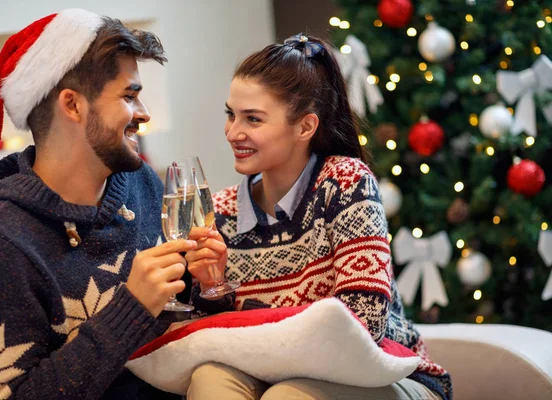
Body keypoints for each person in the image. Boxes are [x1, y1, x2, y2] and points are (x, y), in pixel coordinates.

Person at [0, 9, 213, 399]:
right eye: (129, 95)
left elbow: (181, 321)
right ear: (72, 105)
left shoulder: (138, 181)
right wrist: (131, 308)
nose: (143, 114)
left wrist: (207, 286)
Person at [185, 34, 452, 400]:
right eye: (231, 114)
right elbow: (209, 338)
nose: (233, 132)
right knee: (209, 377)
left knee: (288, 396)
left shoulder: (346, 183)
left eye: (253, 119)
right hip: (279, 372)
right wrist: (212, 290)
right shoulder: (223, 212)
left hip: (387, 375)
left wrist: (250, 316)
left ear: (305, 127)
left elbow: (364, 325)